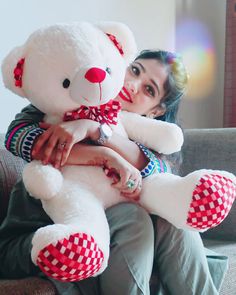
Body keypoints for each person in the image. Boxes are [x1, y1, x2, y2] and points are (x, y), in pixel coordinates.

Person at [1, 50, 228, 295]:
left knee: (172, 220)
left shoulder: (149, 138)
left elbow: (157, 170)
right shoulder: (70, 96)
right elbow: (20, 138)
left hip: (115, 235)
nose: (133, 85)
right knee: (133, 217)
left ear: (155, 111)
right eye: (135, 70)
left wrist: (97, 131)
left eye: (148, 89)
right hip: (42, 235)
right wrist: (103, 156)